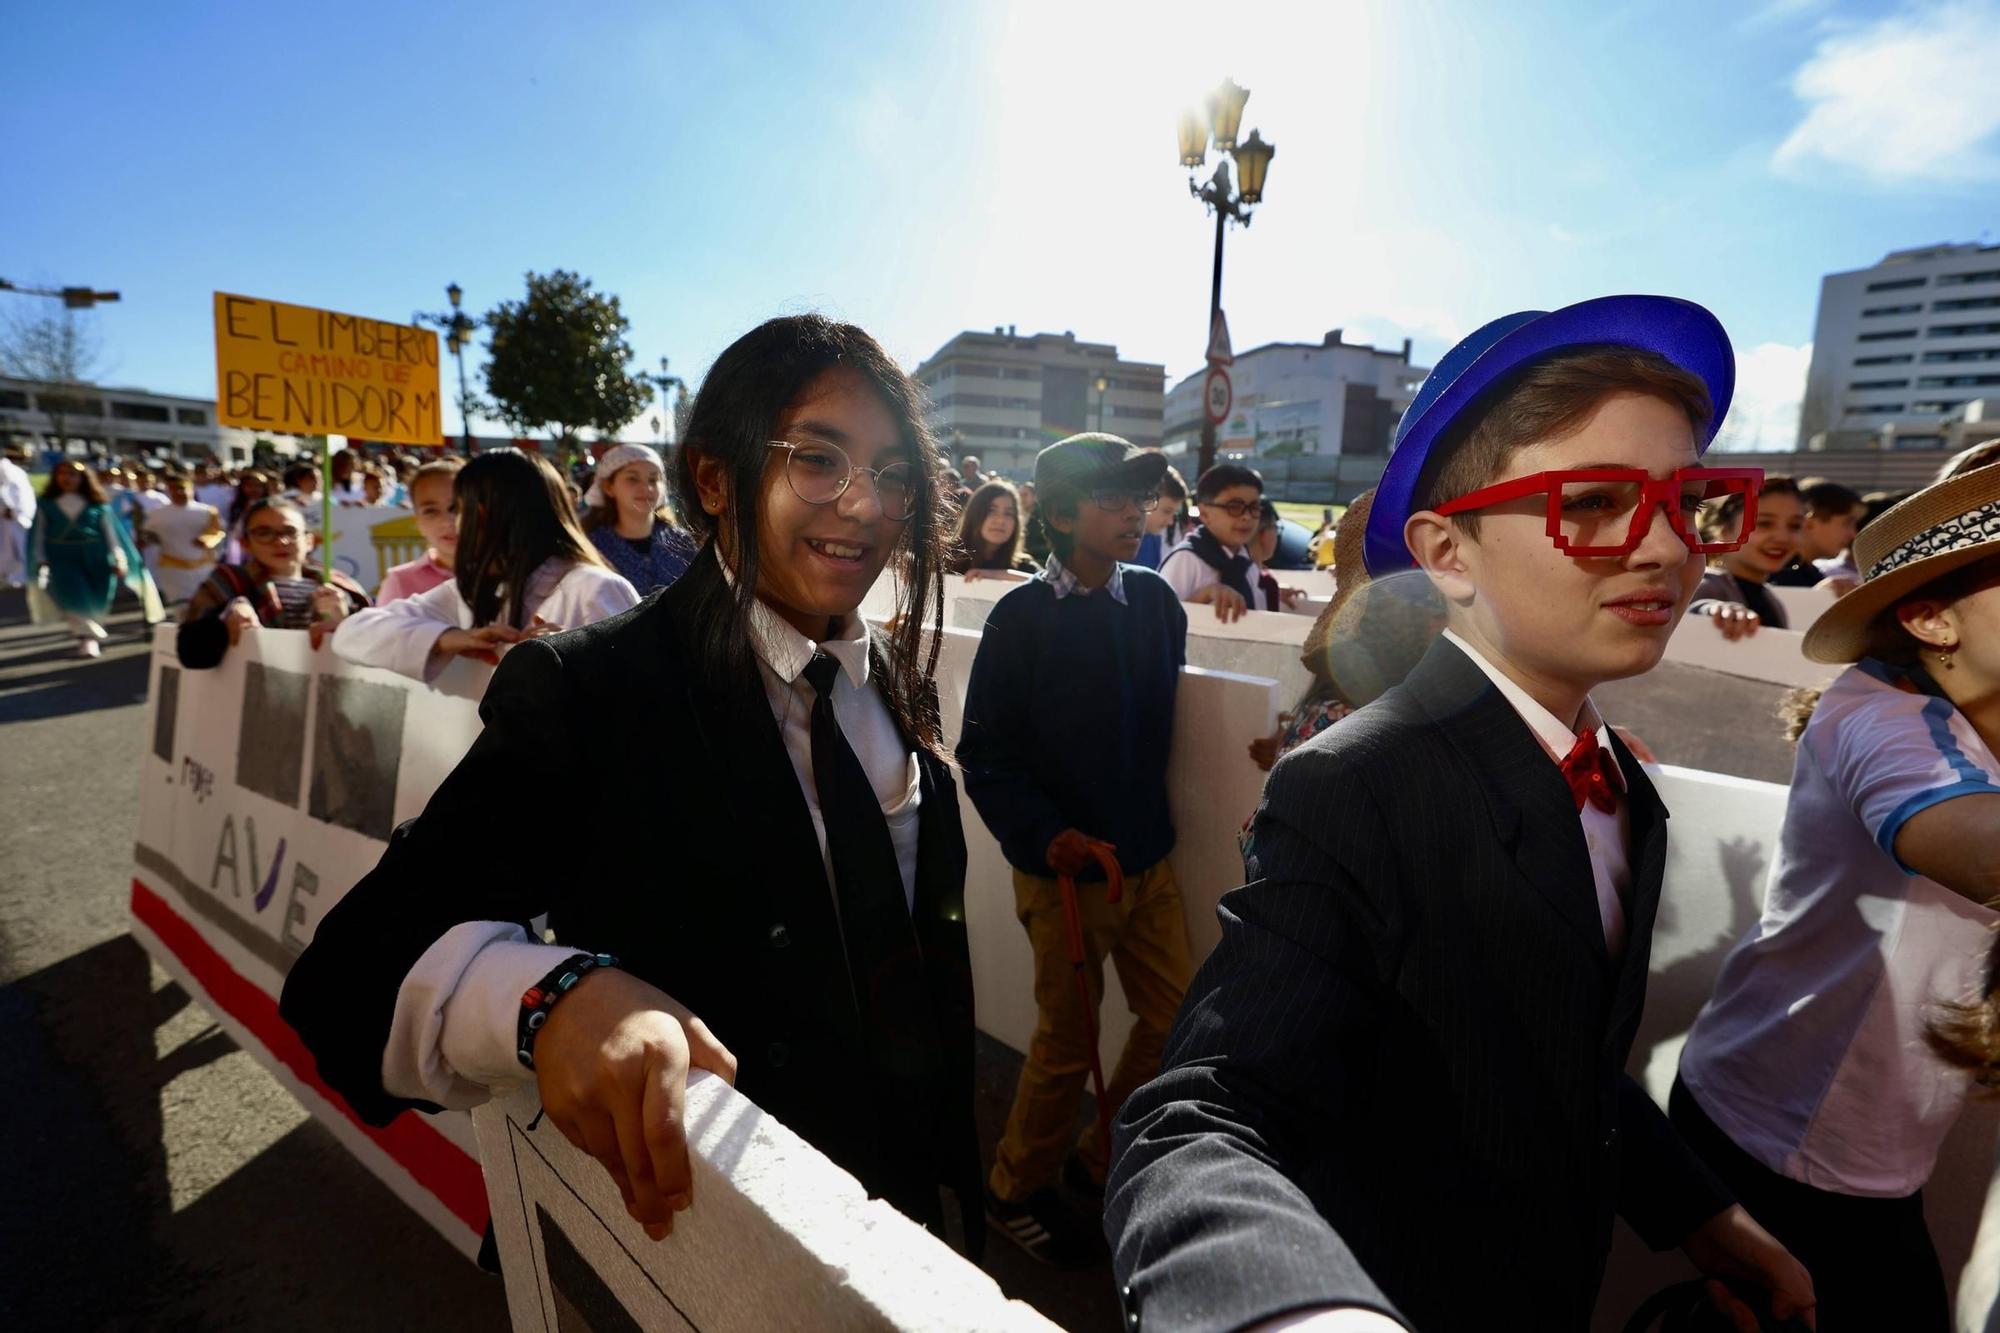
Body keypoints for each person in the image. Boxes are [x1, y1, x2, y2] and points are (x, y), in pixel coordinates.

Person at [1105, 296, 1813, 1333]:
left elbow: (1548, 1053)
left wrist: (1699, 1211)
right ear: (1446, 551)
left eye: (1691, 500)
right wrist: (1301, 1312)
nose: (1665, 547)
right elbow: (1200, 1111)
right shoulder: (1358, 780)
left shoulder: (1623, 786)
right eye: (1594, 501)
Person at [281, 313, 985, 1260]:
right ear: (712, 477)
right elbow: (344, 983)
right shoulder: (594, 689)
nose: (864, 504)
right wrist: (552, 1001)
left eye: (893, 472)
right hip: (691, 1242)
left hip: (897, 1223)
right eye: (818, 458)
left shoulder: (891, 678)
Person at [1676, 465, 2000, 1333]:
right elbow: (1980, 849)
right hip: (1781, 1129)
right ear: (1932, 618)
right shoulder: (1880, 713)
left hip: (1870, 1140)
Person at [959, 433, 1193, 1267]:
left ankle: (1099, 1163)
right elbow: (982, 752)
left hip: (1148, 864)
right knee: (1066, 1043)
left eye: (1142, 496)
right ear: (1058, 514)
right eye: (1115, 497)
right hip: (1062, 872)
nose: (1137, 510)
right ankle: (1012, 1187)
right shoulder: (1021, 619)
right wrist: (1041, 833)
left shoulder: (1160, 602)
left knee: (1177, 1020)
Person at [332, 449, 638, 682]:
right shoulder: (467, 592)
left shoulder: (594, 588)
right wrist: (447, 638)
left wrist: (566, 657)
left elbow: (638, 695)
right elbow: (352, 634)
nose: (455, 522)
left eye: (459, 508)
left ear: (483, 512)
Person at [176, 497, 369, 668]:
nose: (280, 542)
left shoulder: (339, 588)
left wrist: (346, 620)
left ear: (309, 541)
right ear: (246, 544)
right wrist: (225, 619)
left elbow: (374, 653)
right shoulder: (229, 582)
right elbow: (191, 656)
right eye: (263, 533)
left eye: (290, 531)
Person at [28, 460, 160, 656]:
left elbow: (111, 534)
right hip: (62, 557)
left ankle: (90, 633)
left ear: (82, 478)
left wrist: (119, 558)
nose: (67, 478)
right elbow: (38, 534)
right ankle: (87, 637)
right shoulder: (46, 504)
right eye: (62, 474)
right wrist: (40, 558)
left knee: (97, 599)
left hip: (96, 556)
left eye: (72, 474)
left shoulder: (98, 504)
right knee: (73, 596)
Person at [1157, 462, 1279, 621]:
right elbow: (1159, 622)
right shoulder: (1187, 560)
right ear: (1204, 514)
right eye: (1234, 507)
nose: (1246, 516)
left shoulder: (1245, 563)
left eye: (1254, 507)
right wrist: (1204, 595)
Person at [1688, 476, 1802, 641]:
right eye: (1764, 523)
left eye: (1795, 526)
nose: (1782, 537)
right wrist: (1709, 610)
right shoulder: (1703, 585)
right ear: (1725, 530)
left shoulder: (1772, 601)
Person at [580, 443, 697, 595]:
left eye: (653, 479)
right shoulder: (591, 547)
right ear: (609, 487)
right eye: (633, 479)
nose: (646, 488)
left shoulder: (681, 541)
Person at [375, 457, 463, 604]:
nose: (447, 522)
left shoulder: (509, 574)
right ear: (417, 520)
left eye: (456, 508)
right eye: (431, 511)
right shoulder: (400, 582)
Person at [141, 471, 225, 604]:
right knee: (182, 608)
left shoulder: (207, 511)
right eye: (173, 489)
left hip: (203, 567)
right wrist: (147, 539)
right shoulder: (157, 515)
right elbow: (147, 534)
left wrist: (206, 540)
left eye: (182, 488)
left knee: (207, 605)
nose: (178, 493)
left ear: (191, 489)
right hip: (173, 568)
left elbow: (217, 531)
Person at [1768, 479, 1861, 590]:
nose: (1853, 534)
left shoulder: (1811, 573)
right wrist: (1819, 595)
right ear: (1809, 524)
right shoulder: (1775, 573)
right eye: (1847, 523)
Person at [949, 478, 1039, 580]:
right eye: (991, 511)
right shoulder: (945, 559)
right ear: (974, 514)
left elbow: (1053, 587)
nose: (1000, 520)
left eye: (1008, 513)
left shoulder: (1024, 567)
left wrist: (1006, 575)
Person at [1133, 465, 1190, 570]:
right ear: (1146, 500)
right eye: (1167, 511)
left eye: (1174, 514)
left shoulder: (1153, 537)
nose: (1170, 522)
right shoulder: (1118, 541)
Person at [0, 443, 33, 589]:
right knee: (10, 549)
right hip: (11, 517)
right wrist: (5, 509)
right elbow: (2, 490)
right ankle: (10, 578)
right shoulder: (4, 468)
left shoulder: (15, 470)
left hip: (21, 517)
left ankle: (15, 578)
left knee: (19, 548)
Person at [1019, 480, 1052, 566]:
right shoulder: (1016, 515)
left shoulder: (1043, 517)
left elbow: (1048, 546)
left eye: (1025, 495)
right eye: (1019, 495)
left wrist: (1027, 550)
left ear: (1034, 497)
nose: (1021, 498)